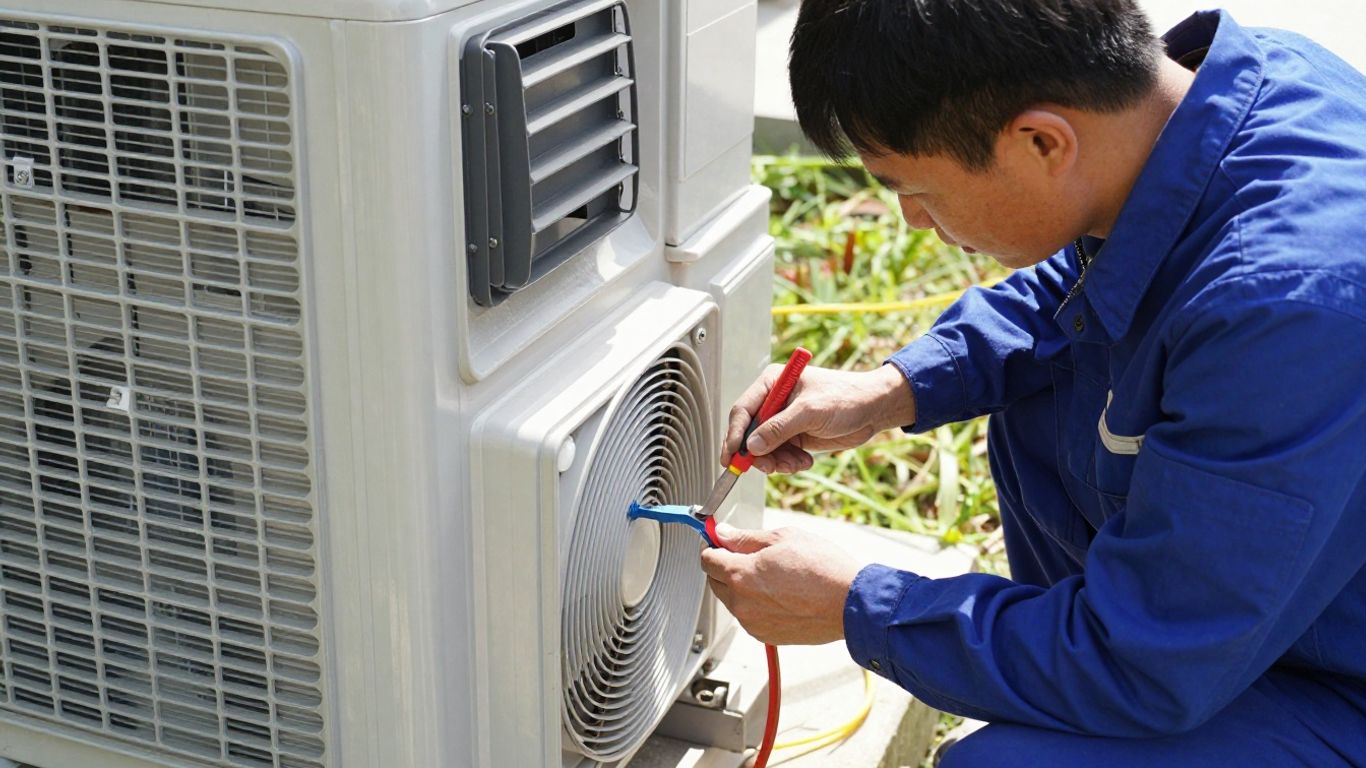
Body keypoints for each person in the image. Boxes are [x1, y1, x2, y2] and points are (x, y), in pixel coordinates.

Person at [699, 1, 1366, 765]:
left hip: (1334, 681)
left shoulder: (1283, 307)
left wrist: (858, 604)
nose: (912, 221)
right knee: (1050, 387)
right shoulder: (1205, 106)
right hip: (1265, 615)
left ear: (1043, 141)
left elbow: (1145, 662)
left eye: (913, 188)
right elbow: (1092, 275)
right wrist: (893, 387)